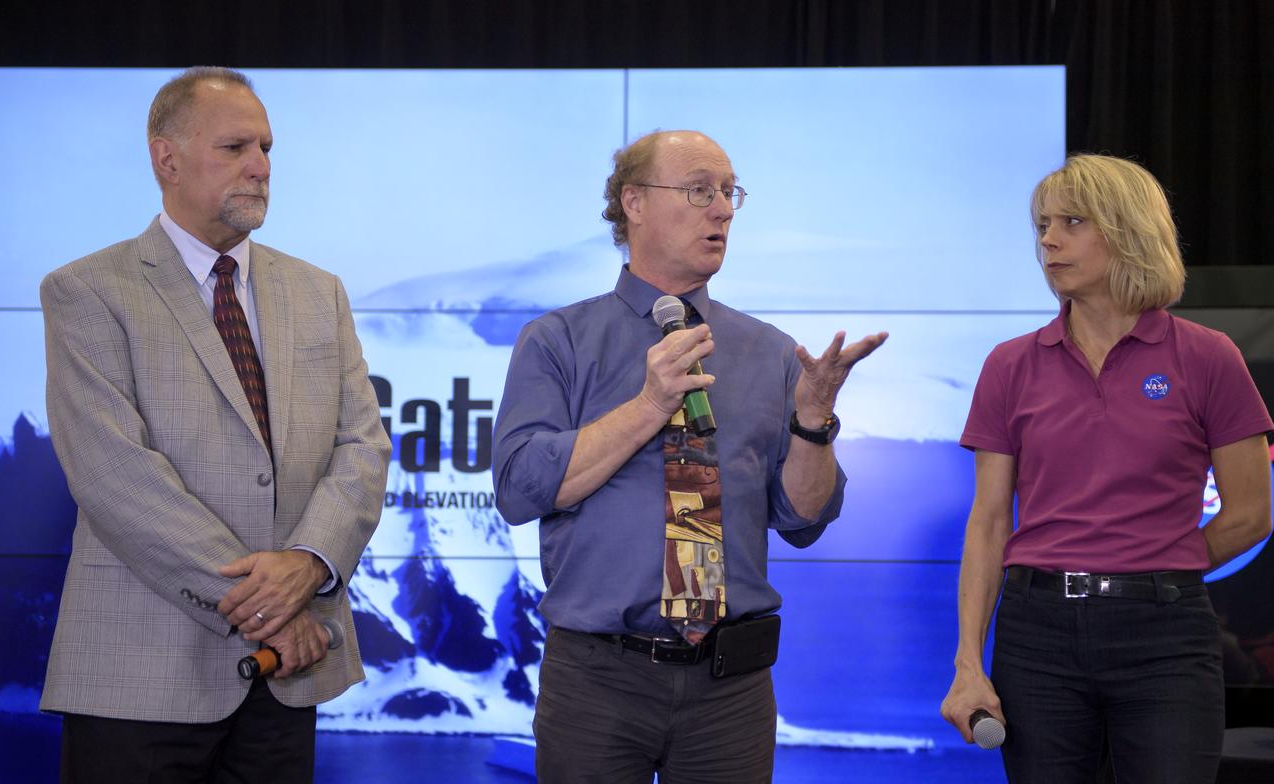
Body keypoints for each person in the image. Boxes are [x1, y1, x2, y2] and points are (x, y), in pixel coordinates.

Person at [492, 129, 887, 783]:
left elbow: (806, 518)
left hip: (729, 691)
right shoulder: (558, 340)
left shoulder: (769, 351)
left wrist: (815, 423)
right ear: (635, 203)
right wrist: (649, 405)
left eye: (730, 194)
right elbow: (519, 488)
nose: (724, 210)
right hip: (597, 682)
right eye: (701, 190)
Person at [39, 67, 391, 783]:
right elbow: (116, 476)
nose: (261, 167)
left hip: (287, 681)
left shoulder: (318, 291)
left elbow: (363, 447)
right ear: (165, 157)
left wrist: (310, 564)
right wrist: (270, 611)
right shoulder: (86, 291)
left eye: (266, 148)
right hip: (141, 680)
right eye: (236, 147)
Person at [940, 154, 1273, 782]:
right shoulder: (1010, 365)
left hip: (1167, 639)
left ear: (1127, 230)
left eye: (1071, 222)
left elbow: (1252, 513)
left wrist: (1157, 565)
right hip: (1037, 638)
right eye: (1041, 226)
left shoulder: (1209, 357)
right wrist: (968, 664)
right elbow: (987, 523)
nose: (1048, 241)